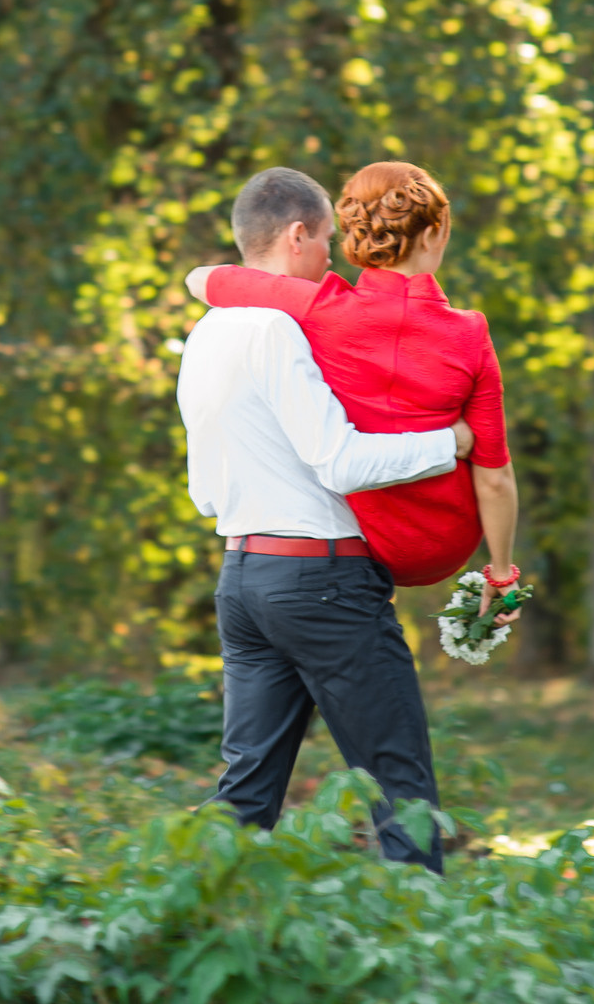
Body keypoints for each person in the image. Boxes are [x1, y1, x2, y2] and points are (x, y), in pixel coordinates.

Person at [180, 166, 476, 871]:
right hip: (323, 582)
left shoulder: (206, 334)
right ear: (297, 235)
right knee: (401, 785)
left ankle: (188, 915)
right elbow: (340, 461)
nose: (334, 260)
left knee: (245, 793)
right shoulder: (278, 330)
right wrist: (451, 442)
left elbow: (205, 495)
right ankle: (422, 930)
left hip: (242, 578)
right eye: (327, 242)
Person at [185, 160, 520, 597]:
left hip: (367, 539)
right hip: (446, 542)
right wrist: (501, 573)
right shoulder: (470, 333)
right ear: (434, 234)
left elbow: (202, 281)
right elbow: (494, 477)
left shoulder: (320, 305)